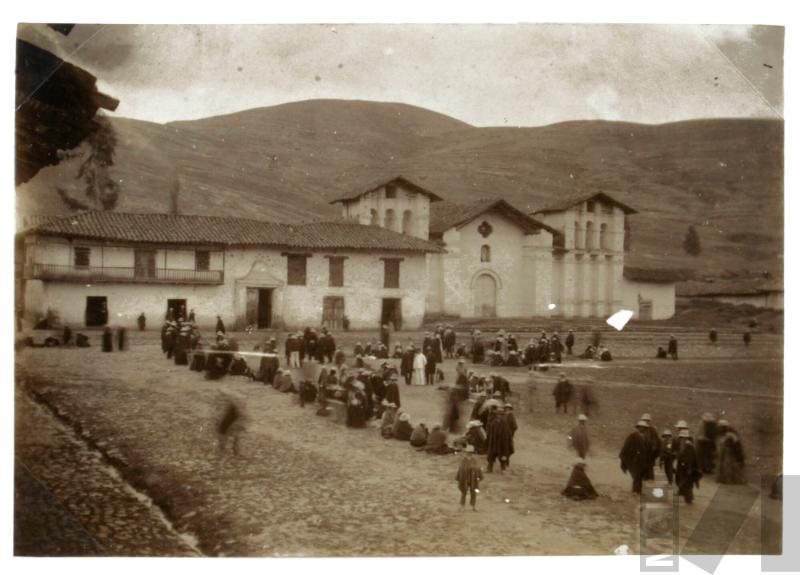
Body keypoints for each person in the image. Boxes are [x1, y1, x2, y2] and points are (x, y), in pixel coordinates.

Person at [619, 420, 650, 494]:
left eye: (644, 428)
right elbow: (627, 446)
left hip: (642, 459)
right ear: (638, 427)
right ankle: (635, 491)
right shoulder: (633, 435)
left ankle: (638, 490)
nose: (643, 429)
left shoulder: (644, 437)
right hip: (634, 459)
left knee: (640, 474)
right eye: (641, 427)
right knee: (636, 474)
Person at [216, 390, 246, 458]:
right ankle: (225, 451)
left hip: (233, 417)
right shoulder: (235, 406)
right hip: (230, 418)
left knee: (234, 436)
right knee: (225, 435)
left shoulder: (237, 404)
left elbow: (241, 413)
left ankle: (233, 451)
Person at [675, 429, 701, 503]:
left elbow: (689, 459)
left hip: (687, 468)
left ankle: (689, 499)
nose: (681, 439)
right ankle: (688, 498)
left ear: (685, 438)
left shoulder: (688, 446)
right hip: (684, 468)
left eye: (682, 437)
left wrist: (688, 469)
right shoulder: (685, 446)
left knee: (687, 484)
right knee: (686, 484)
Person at [486, 406, 514, 472]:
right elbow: (490, 433)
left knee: (502, 456)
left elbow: (508, 435)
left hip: (502, 444)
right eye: (498, 415)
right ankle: (489, 469)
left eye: (501, 415)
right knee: (491, 456)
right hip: (494, 443)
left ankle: (503, 468)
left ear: (503, 415)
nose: (499, 416)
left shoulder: (504, 424)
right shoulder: (493, 423)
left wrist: (507, 443)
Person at [456, 444, 484, 511]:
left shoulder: (475, 460)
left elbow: (478, 468)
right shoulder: (463, 461)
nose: (469, 454)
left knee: (473, 492)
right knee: (464, 492)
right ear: (466, 453)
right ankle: (462, 506)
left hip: (473, 479)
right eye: (468, 452)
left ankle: (473, 506)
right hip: (465, 478)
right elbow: (460, 469)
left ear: (472, 453)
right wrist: (458, 478)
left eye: (471, 452)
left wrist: (480, 476)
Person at [717, 419, 746, 484]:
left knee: (728, 466)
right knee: (725, 465)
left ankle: (729, 480)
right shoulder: (726, 433)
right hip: (727, 451)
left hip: (730, 451)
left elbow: (736, 444)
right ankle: (725, 479)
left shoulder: (730, 434)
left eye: (721, 428)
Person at [640, 414, 661, 481]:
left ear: (649, 421)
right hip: (642, 451)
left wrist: (653, 448)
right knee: (642, 465)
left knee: (649, 466)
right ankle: (644, 479)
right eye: (644, 420)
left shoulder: (652, 429)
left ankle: (650, 479)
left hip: (649, 452)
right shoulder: (640, 429)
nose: (645, 421)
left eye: (647, 420)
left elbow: (656, 440)